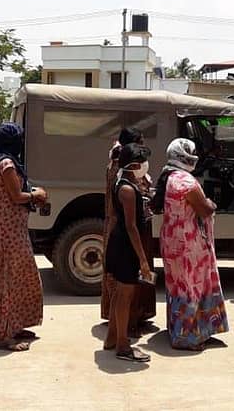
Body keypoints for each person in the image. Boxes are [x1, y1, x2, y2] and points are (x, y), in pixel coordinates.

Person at [153, 138, 228, 351]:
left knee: (178, 286)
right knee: (191, 286)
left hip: (173, 239)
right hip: (189, 242)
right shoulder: (186, 182)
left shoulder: (169, 176)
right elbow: (204, 209)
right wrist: (211, 203)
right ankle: (186, 337)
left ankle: (193, 330)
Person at [0, 122, 46, 351]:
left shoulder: (2, 162)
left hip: (11, 230)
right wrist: (35, 194)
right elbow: (16, 196)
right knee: (7, 282)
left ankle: (15, 326)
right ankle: (2, 335)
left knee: (20, 277)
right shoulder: (7, 164)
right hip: (6, 234)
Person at [101, 127, 155, 335]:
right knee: (125, 289)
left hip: (124, 231)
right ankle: (125, 331)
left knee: (124, 288)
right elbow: (130, 224)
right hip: (125, 235)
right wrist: (142, 259)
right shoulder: (124, 182)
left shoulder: (123, 174)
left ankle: (118, 333)